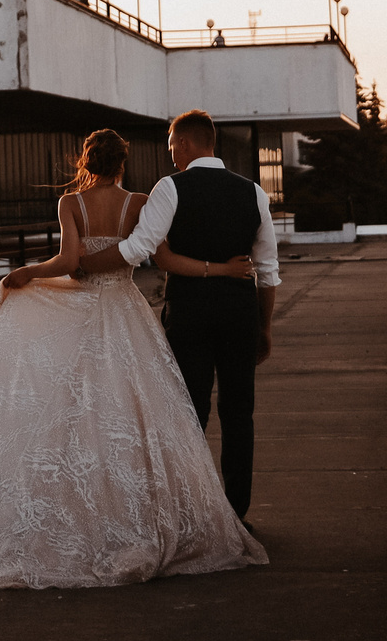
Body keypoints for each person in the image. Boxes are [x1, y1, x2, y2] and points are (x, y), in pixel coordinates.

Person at [0, 130, 266, 589]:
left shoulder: (71, 204)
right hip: (126, 310)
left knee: (68, 409)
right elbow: (159, 257)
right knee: (134, 412)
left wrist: (28, 272)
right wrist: (221, 269)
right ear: (123, 164)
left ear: (86, 160)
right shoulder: (141, 202)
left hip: (82, 309)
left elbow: (68, 262)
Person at [69, 110, 277, 521]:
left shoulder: (170, 188)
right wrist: (264, 327)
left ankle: (193, 512)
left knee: (188, 412)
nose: (171, 157)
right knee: (239, 414)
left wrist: (84, 265)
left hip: (191, 315)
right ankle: (236, 514)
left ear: (184, 144)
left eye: (171, 148)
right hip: (239, 315)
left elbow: (139, 247)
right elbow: (268, 271)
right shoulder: (254, 192)